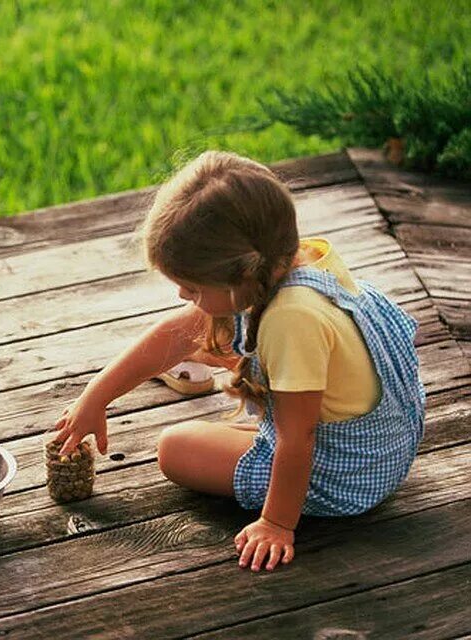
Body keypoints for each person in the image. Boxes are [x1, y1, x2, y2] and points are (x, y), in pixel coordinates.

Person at [51, 151, 425, 572]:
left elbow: (297, 439)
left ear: (242, 276)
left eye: (192, 288)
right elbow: (173, 337)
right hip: (388, 443)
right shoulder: (294, 258)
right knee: (210, 349)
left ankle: (284, 505)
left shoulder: (291, 318)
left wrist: (277, 523)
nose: (183, 297)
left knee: (175, 448)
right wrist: (95, 398)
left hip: (350, 476)